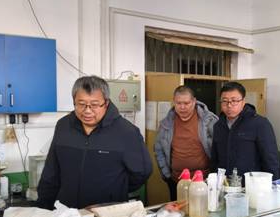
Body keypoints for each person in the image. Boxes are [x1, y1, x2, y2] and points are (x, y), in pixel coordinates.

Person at [37, 76, 152, 209]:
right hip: (66, 211)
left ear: (106, 103)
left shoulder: (126, 132)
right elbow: (51, 171)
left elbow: (142, 172)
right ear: (74, 101)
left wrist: (115, 190)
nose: (87, 110)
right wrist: (43, 206)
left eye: (95, 105)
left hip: (107, 212)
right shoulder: (63, 126)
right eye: (81, 104)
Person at [154, 86, 218, 200]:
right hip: (176, 181)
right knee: (179, 210)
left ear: (194, 101)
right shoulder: (166, 124)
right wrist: (167, 175)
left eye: (186, 103)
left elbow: (219, 148)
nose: (182, 107)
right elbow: (158, 149)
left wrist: (214, 174)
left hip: (203, 181)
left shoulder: (209, 121)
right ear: (174, 102)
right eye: (178, 103)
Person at [211, 81, 279, 180]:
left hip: (251, 183)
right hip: (225, 183)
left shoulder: (260, 124)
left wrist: (273, 184)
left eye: (234, 101)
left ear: (243, 102)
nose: (229, 105)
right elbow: (215, 159)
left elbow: (270, 160)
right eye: (225, 101)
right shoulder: (218, 125)